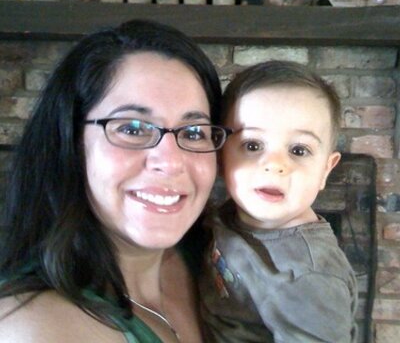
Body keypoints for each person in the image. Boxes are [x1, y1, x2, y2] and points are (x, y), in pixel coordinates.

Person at [0, 19, 232, 342]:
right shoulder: (35, 328)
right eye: (132, 129)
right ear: (71, 142)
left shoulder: (212, 260)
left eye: (193, 132)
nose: (170, 162)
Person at [199, 60, 358, 342]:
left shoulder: (309, 278)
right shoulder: (231, 214)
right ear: (221, 157)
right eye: (252, 145)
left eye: (299, 150)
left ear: (325, 170)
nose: (275, 164)